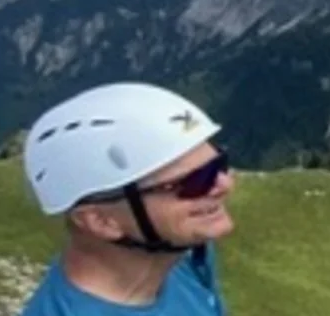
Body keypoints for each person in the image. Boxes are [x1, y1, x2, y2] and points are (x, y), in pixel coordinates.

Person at [20, 82, 236, 316]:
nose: (224, 185)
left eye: (219, 165)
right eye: (194, 182)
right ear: (101, 221)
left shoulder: (183, 253)